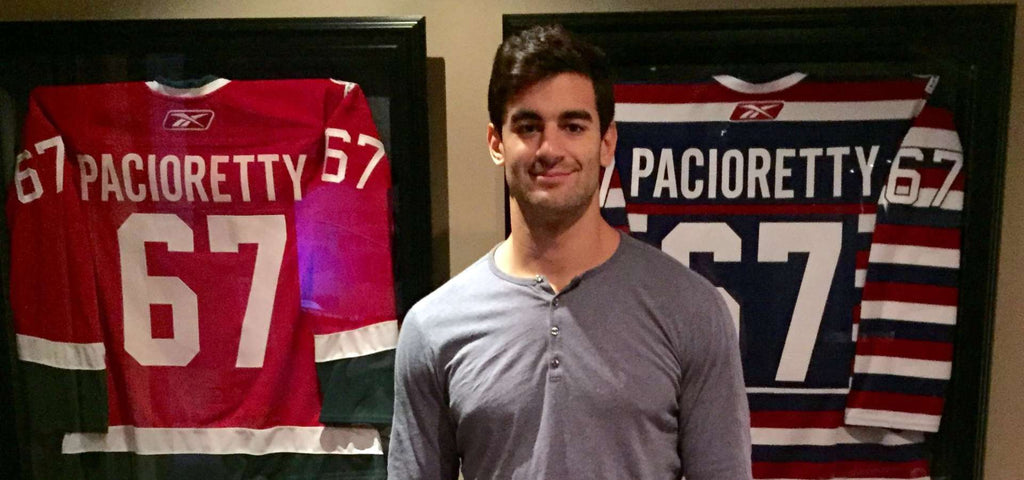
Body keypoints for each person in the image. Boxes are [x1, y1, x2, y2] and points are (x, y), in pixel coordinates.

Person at [388, 24, 752, 479]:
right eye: (528, 126)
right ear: (496, 143)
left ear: (606, 142)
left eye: (573, 126)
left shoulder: (691, 309)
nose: (550, 148)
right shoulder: (432, 328)